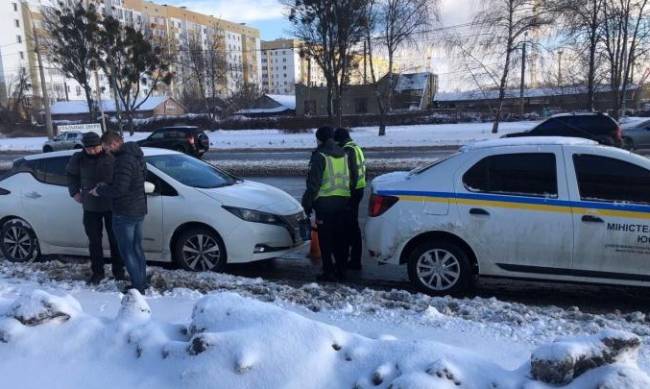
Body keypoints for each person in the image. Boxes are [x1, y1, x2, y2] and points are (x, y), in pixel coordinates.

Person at [90, 132, 148, 293]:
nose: (106, 151)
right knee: (137, 248)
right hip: (138, 208)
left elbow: (120, 189)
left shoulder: (123, 160)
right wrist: (109, 183)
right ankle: (141, 281)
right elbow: (134, 180)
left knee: (127, 250)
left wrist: (100, 190)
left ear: (114, 143)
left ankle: (137, 287)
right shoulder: (137, 155)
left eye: (106, 147)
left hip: (124, 211)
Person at [66, 132, 125, 285]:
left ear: (100, 145)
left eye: (95, 147)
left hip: (111, 204)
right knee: (94, 241)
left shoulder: (111, 156)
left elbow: (122, 176)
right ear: (84, 148)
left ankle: (119, 272)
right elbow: (70, 175)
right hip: (90, 206)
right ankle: (97, 273)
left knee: (115, 240)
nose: (93, 151)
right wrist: (74, 192)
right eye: (89, 149)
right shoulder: (78, 158)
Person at [302, 127, 357, 282]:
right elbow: (352, 177)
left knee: (326, 240)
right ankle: (342, 269)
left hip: (325, 204)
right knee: (341, 238)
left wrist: (306, 204)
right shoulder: (344, 154)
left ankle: (329, 272)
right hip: (343, 202)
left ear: (320, 139)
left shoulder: (320, 156)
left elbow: (313, 185)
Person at [334, 127, 366, 271]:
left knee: (348, 227)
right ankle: (354, 258)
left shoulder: (347, 150)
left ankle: (353, 260)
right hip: (359, 189)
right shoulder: (356, 147)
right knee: (353, 226)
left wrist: (346, 195)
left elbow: (350, 174)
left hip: (351, 193)